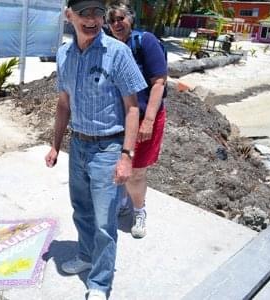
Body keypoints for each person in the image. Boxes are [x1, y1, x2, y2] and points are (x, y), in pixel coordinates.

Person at [44, 0, 147, 299]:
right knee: (82, 210)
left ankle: (100, 283)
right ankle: (87, 255)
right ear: (69, 16)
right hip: (78, 145)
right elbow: (64, 103)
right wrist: (55, 145)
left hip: (109, 147)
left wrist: (126, 157)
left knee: (105, 222)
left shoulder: (118, 52)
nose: (92, 19)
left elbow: (132, 109)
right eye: (83, 13)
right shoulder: (64, 54)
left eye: (97, 13)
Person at [106, 3, 168, 239]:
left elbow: (159, 83)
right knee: (120, 166)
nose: (116, 23)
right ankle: (124, 200)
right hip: (119, 119)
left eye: (120, 18)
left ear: (130, 19)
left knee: (136, 172)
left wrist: (149, 120)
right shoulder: (109, 46)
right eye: (111, 20)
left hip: (145, 117)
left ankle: (138, 210)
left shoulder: (146, 41)